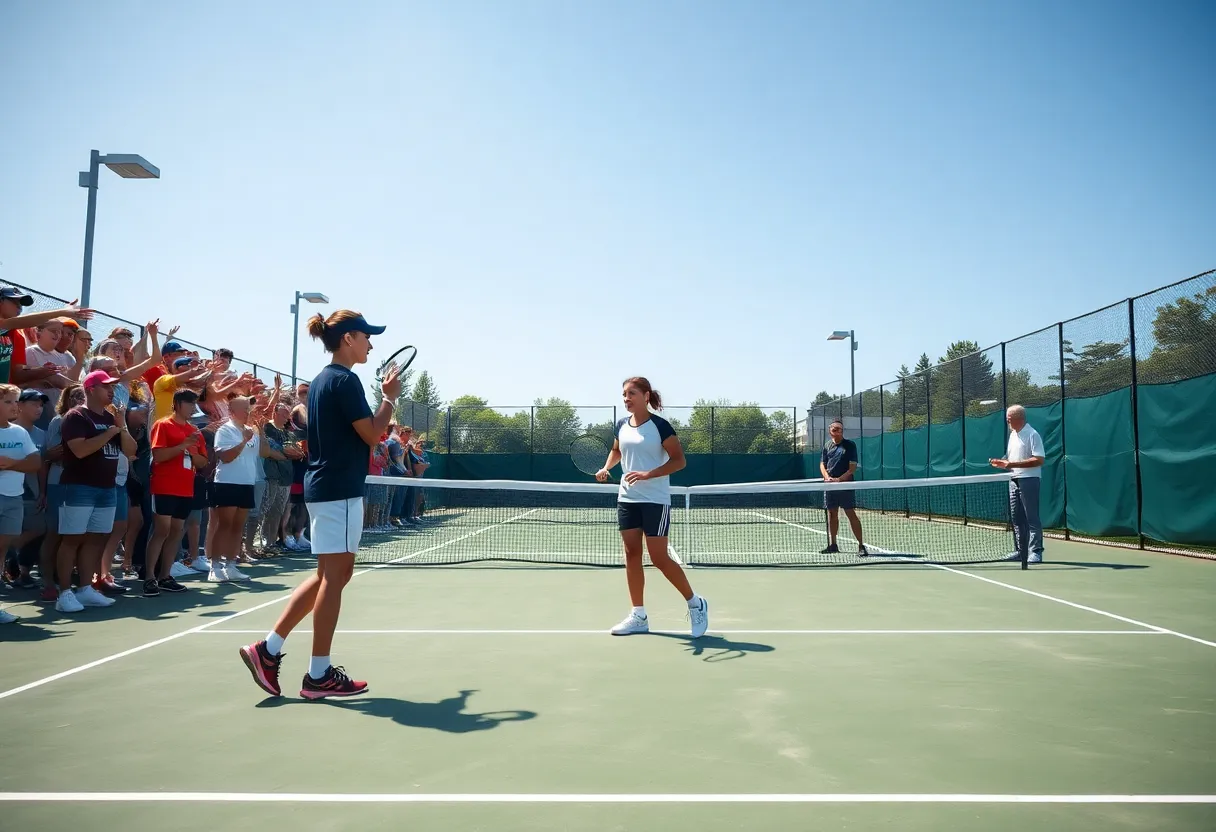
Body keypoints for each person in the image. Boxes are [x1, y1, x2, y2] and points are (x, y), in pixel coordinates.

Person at [239, 310, 401, 699]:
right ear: (348, 339)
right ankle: (318, 674)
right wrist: (389, 400)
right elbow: (372, 434)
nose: (371, 344)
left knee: (328, 575)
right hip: (339, 490)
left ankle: (268, 649)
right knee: (336, 578)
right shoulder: (344, 382)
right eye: (366, 337)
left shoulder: (326, 381)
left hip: (325, 487)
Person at [596, 376, 708, 639]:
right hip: (627, 499)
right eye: (624, 394)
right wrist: (606, 467)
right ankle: (638, 615)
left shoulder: (660, 426)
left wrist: (648, 474)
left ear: (646, 396)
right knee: (631, 554)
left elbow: (679, 461)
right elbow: (617, 451)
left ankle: (695, 603)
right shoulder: (621, 426)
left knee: (658, 558)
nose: (626, 399)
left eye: (631, 393)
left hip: (655, 500)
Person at [990, 404, 1045, 563]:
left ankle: (1035, 552)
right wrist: (1003, 462)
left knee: (1031, 518)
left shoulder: (1032, 434)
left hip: (1029, 480)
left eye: (1009, 420)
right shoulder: (1013, 434)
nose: (1007, 423)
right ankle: (1021, 552)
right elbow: (1011, 459)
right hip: (1013, 480)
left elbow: (1039, 459)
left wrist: (1012, 465)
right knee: (1016, 518)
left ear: (1019, 419)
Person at [818, 419, 867, 556]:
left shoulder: (850, 446)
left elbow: (852, 468)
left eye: (839, 429)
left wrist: (839, 480)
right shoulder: (827, 446)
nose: (837, 432)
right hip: (830, 487)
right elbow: (822, 464)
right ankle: (833, 544)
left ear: (842, 431)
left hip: (845, 485)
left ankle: (861, 546)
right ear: (830, 431)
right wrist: (827, 477)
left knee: (850, 513)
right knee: (832, 514)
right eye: (834, 429)